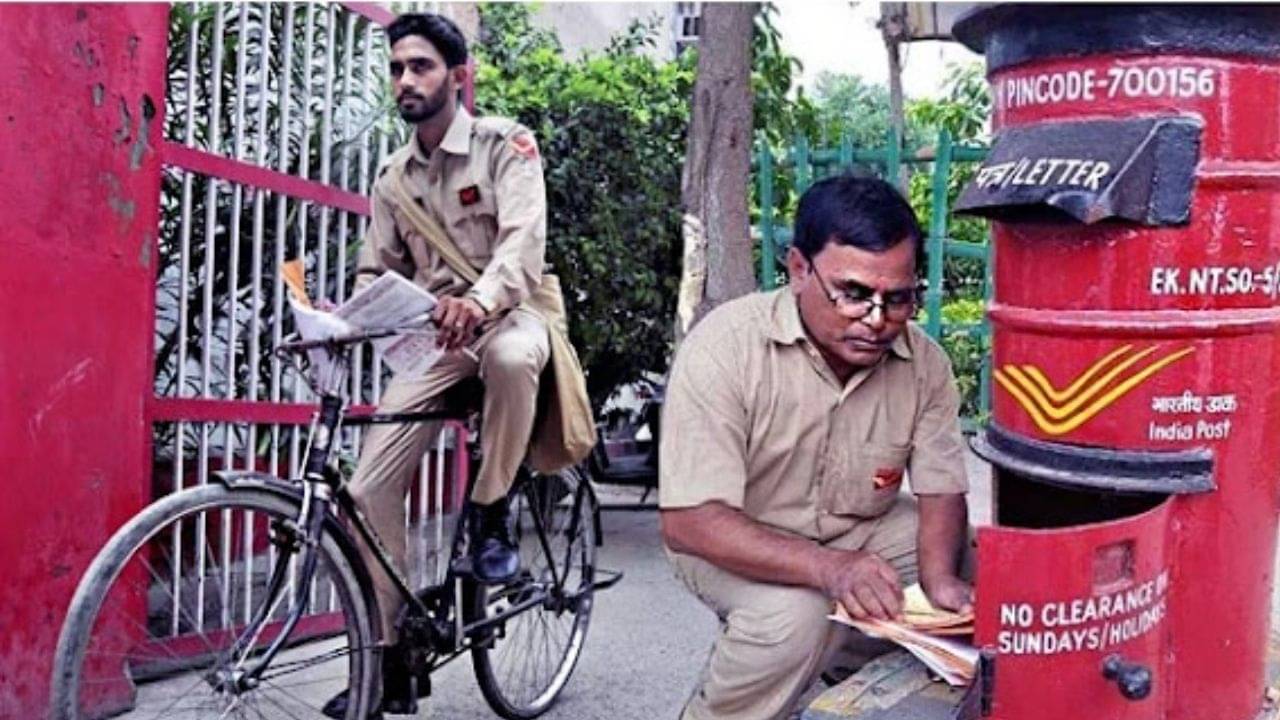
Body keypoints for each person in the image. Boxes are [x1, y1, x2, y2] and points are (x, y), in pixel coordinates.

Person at [659, 175, 972, 720]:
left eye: (898, 299)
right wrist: (830, 569)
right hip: (734, 538)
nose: (877, 321)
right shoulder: (725, 348)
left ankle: (847, 670)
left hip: (857, 528)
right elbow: (691, 522)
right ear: (799, 268)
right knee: (795, 615)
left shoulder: (925, 364)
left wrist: (940, 582)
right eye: (853, 295)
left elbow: (941, 490)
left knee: (971, 558)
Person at [324, 12, 550, 718]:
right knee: (365, 489)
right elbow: (376, 269)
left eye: (419, 67)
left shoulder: (504, 145)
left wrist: (478, 302)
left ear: (457, 77)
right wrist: (340, 318)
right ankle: (390, 659)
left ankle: (490, 512)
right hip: (439, 342)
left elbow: (523, 245)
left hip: (512, 315)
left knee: (513, 358)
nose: (405, 81)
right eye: (395, 69)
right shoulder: (393, 178)